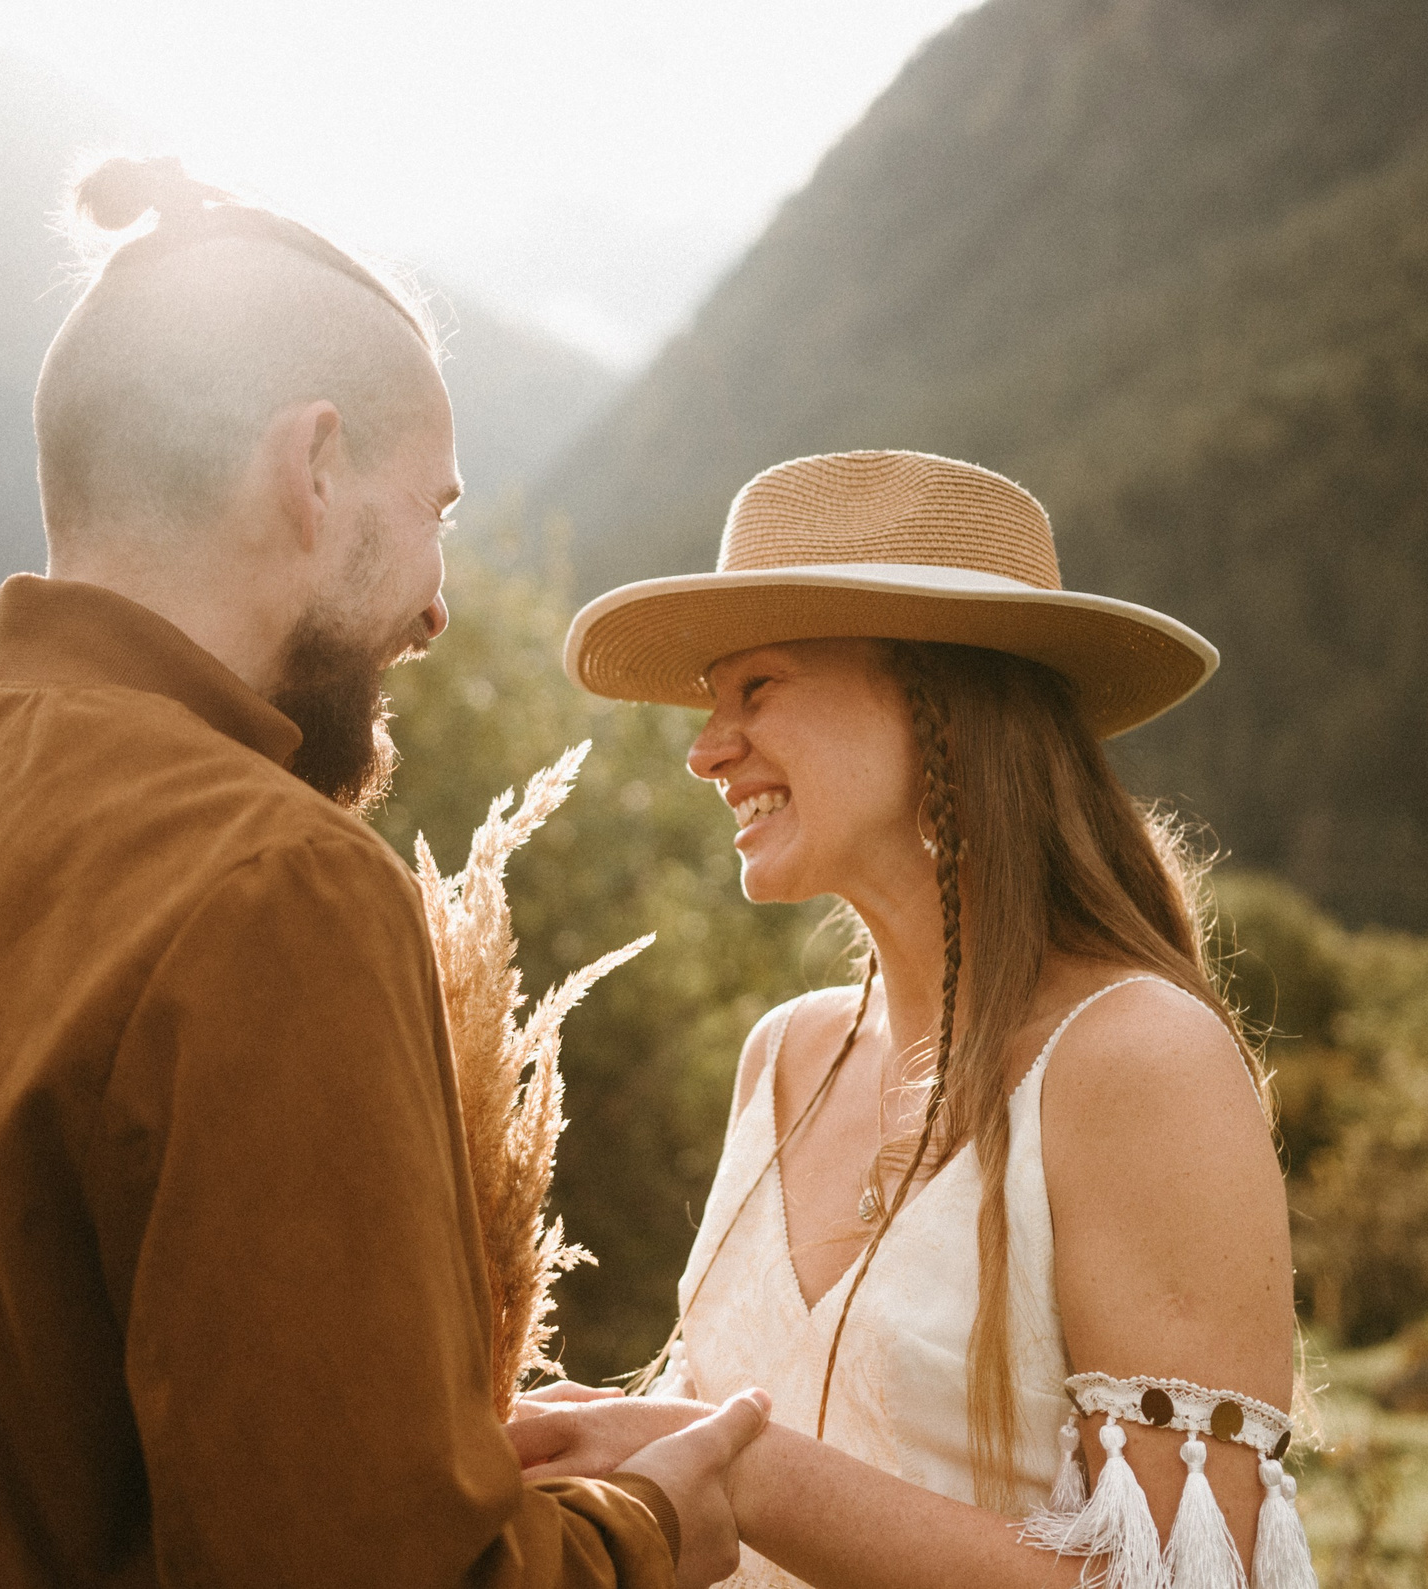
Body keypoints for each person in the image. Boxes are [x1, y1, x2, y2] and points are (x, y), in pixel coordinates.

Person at [0, 156, 763, 1589]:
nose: (438, 603)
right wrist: (651, 1527)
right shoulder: (278, 883)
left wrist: (426, 1442)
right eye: (433, 508)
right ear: (310, 469)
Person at [520, 451, 1316, 1589]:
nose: (703, 749)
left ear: (936, 695)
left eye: (757, 687)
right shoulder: (781, 1057)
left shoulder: (1133, 1057)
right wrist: (624, 1438)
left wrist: (750, 1476)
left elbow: (1196, 1581)